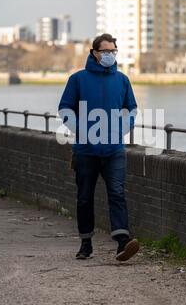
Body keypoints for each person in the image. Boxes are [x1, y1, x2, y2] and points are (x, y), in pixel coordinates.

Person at [58, 33, 139, 261]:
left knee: (117, 193)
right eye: (105, 52)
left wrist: (122, 128)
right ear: (94, 53)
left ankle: (123, 242)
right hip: (86, 150)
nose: (110, 55)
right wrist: (81, 130)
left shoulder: (122, 80)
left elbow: (131, 108)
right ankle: (86, 243)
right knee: (84, 197)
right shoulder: (78, 80)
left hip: (114, 150)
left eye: (113, 51)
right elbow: (65, 108)